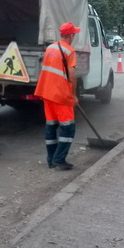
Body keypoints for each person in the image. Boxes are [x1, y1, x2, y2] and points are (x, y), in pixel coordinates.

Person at [34, 22, 80, 170]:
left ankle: (51, 160)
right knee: (68, 128)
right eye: (74, 34)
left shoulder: (50, 48)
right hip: (61, 95)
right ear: (70, 35)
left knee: (51, 126)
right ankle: (59, 160)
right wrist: (73, 95)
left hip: (47, 93)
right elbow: (72, 76)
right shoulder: (69, 51)